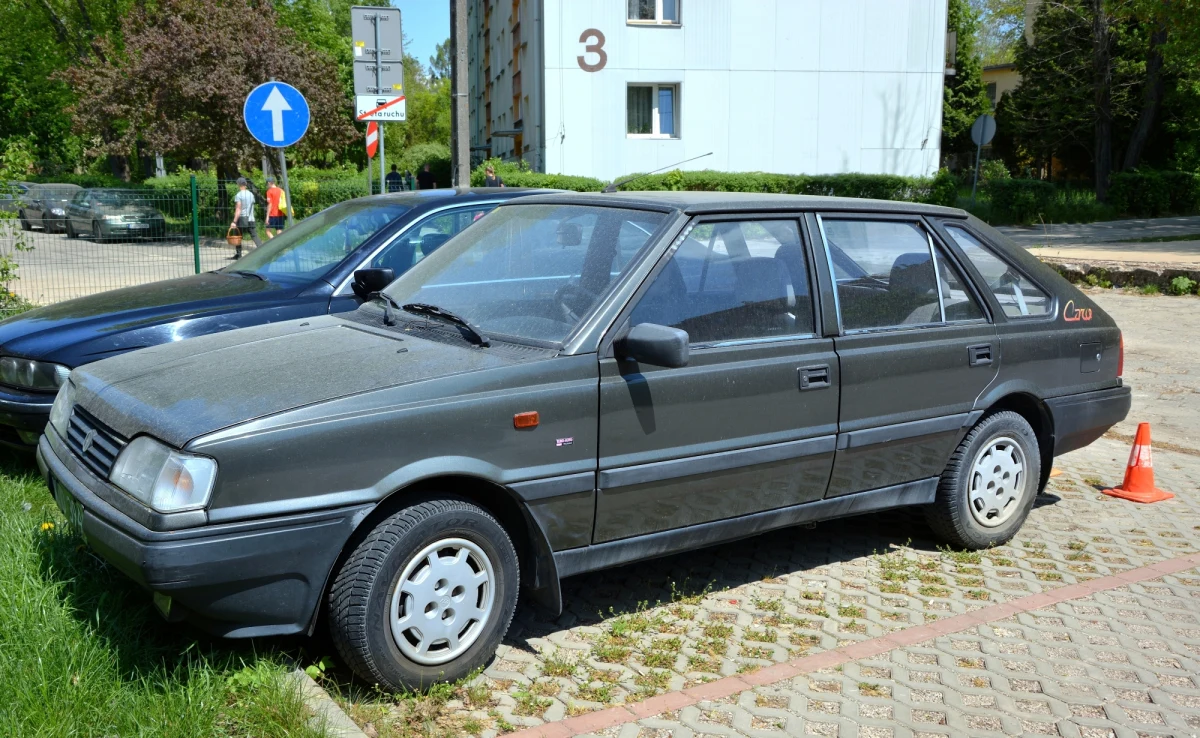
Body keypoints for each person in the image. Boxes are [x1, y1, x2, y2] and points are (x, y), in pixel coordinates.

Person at [229, 177, 261, 259]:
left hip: (242, 219)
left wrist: (234, 221)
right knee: (254, 235)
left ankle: (239, 254)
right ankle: (263, 251)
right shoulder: (251, 194)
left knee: (238, 236)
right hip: (251, 218)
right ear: (245, 184)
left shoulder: (239, 195)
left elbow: (238, 209)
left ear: (238, 184)